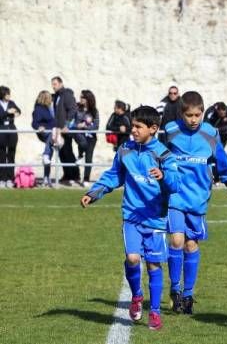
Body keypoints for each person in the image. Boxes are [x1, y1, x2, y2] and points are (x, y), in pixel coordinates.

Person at [80, 105, 180, 331]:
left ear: (153, 129)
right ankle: (137, 296)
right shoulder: (125, 150)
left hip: (155, 219)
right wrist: (94, 193)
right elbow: (114, 175)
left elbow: (175, 184)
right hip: (132, 216)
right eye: (132, 125)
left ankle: (154, 311)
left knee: (154, 264)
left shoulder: (163, 155)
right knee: (133, 258)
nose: (133, 130)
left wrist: (163, 176)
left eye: (138, 126)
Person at [165, 91, 227, 315]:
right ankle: (175, 289)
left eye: (197, 115)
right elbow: (158, 155)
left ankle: (188, 294)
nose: (193, 119)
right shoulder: (170, 131)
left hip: (198, 198)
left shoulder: (210, 133)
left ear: (202, 112)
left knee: (191, 245)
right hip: (175, 196)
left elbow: (221, 159)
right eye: (189, 115)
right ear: (182, 113)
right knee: (177, 240)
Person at [51, 76, 80, 185]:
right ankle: (67, 174)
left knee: (68, 152)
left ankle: (75, 175)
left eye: (55, 84)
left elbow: (73, 109)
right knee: (62, 153)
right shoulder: (57, 96)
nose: (53, 86)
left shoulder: (66, 94)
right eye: (52, 84)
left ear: (61, 83)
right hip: (58, 129)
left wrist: (67, 124)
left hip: (65, 130)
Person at [73, 90, 99, 187]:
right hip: (79, 135)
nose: (80, 99)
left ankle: (86, 178)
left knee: (89, 158)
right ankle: (80, 155)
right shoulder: (77, 108)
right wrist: (78, 126)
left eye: (82, 97)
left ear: (88, 99)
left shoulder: (94, 111)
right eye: (80, 97)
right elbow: (73, 122)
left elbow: (96, 126)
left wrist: (84, 126)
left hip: (91, 137)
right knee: (82, 144)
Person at [32, 90, 56, 187]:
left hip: (53, 132)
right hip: (45, 132)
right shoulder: (38, 109)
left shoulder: (52, 107)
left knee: (49, 152)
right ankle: (45, 155)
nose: (51, 99)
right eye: (49, 97)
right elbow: (34, 123)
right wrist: (39, 127)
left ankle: (46, 177)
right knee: (50, 138)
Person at [0, 86, 21, 188]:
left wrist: (16, 112)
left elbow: (18, 111)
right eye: (7, 94)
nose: (9, 95)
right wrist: (7, 113)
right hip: (1, 129)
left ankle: (10, 178)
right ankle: (2, 179)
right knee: (2, 154)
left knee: (11, 154)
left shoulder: (11, 103)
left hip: (11, 129)